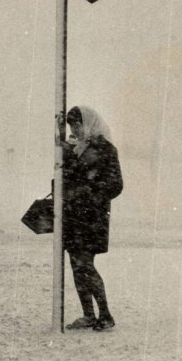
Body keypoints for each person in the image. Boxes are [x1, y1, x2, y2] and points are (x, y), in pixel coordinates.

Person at [62, 106, 123, 332]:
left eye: (77, 124)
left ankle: (105, 315)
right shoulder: (75, 148)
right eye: (71, 125)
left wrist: (89, 191)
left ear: (88, 123)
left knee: (85, 264)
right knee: (76, 265)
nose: (74, 129)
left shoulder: (106, 149)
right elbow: (67, 178)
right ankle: (88, 314)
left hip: (92, 218)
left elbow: (116, 184)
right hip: (74, 217)